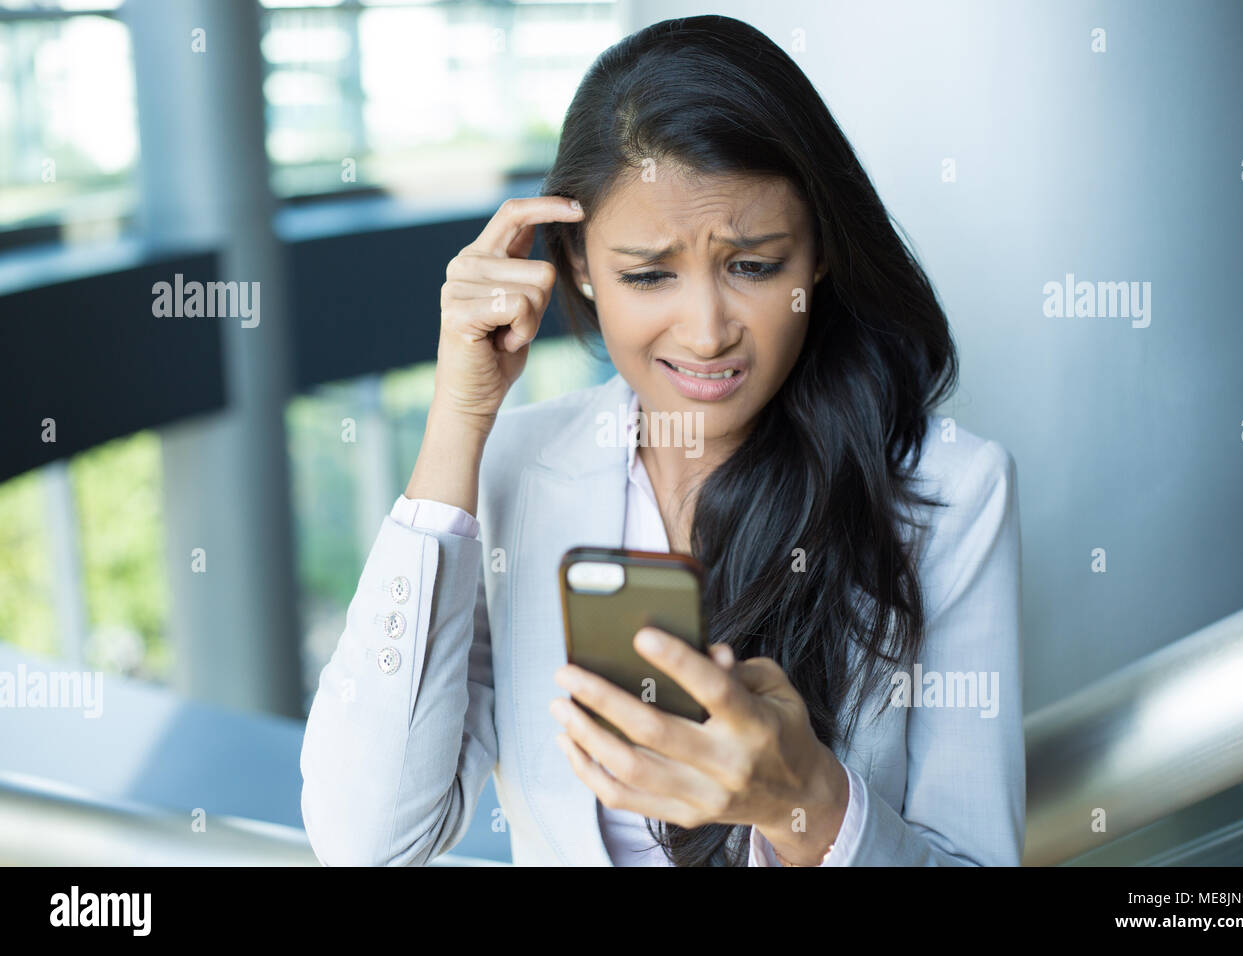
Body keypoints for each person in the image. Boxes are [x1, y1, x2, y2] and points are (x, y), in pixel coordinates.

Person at [300, 14, 1024, 867]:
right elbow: (368, 841)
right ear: (578, 267)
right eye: (648, 275)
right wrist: (460, 421)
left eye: (755, 266)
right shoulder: (515, 475)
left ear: (820, 254)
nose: (709, 330)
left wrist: (805, 803)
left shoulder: (949, 493)